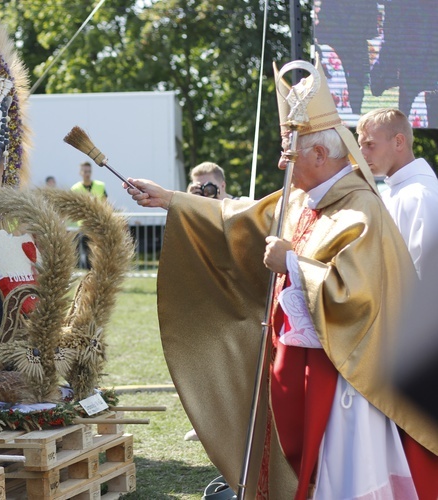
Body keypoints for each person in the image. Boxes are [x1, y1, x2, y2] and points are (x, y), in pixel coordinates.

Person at [124, 60, 437, 499]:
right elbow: (241, 217)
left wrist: (294, 264)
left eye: (289, 153)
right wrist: (171, 201)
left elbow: (359, 298)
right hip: (302, 371)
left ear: (320, 155)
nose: (280, 162)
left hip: (347, 383)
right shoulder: (304, 199)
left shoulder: (361, 210)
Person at [356, 108, 438, 278]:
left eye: (370, 145)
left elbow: (428, 278)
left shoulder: (421, 196)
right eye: (360, 145)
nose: (361, 154)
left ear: (399, 142)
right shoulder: (393, 192)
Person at [71, 162, 107, 268]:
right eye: (85, 171)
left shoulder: (100, 186)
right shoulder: (75, 188)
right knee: (87, 253)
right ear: (80, 173)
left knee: (100, 252)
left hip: (98, 224)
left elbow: (105, 203)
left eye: (89, 171)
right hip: (84, 226)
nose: (87, 174)